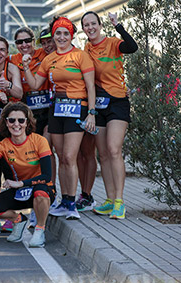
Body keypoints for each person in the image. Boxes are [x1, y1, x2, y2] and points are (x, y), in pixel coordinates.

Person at [20, 18, 96, 219]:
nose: (61, 37)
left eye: (65, 33)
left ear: (71, 35)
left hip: (77, 108)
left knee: (70, 157)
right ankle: (65, 200)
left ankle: (71, 204)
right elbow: (36, 84)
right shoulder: (49, 59)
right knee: (62, 157)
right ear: (53, 36)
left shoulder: (80, 56)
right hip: (57, 109)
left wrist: (92, 113)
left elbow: (90, 87)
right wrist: (26, 67)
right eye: (58, 34)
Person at [78, 11, 138, 218]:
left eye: (93, 23)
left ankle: (120, 202)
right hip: (98, 105)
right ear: (83, 29)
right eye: (86, 25)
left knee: (113, 149)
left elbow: (132, 47)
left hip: (117, 102)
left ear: (100, 24)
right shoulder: (85, 49)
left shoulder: (113, 43)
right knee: (102, 154)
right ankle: (110, 199)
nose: (90, 27)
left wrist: (118, 25)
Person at [0, 103, 55, 248]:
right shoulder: (3, 145)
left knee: (41, 191)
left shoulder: (39, 140)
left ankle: (39, 230)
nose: (16, 124)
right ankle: (19, 220)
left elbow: (47, 176)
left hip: (41, 189)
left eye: (21, 120)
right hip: (19, 192)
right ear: (6, 122)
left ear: (27, 122)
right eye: (11, 120)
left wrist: (21, 183)